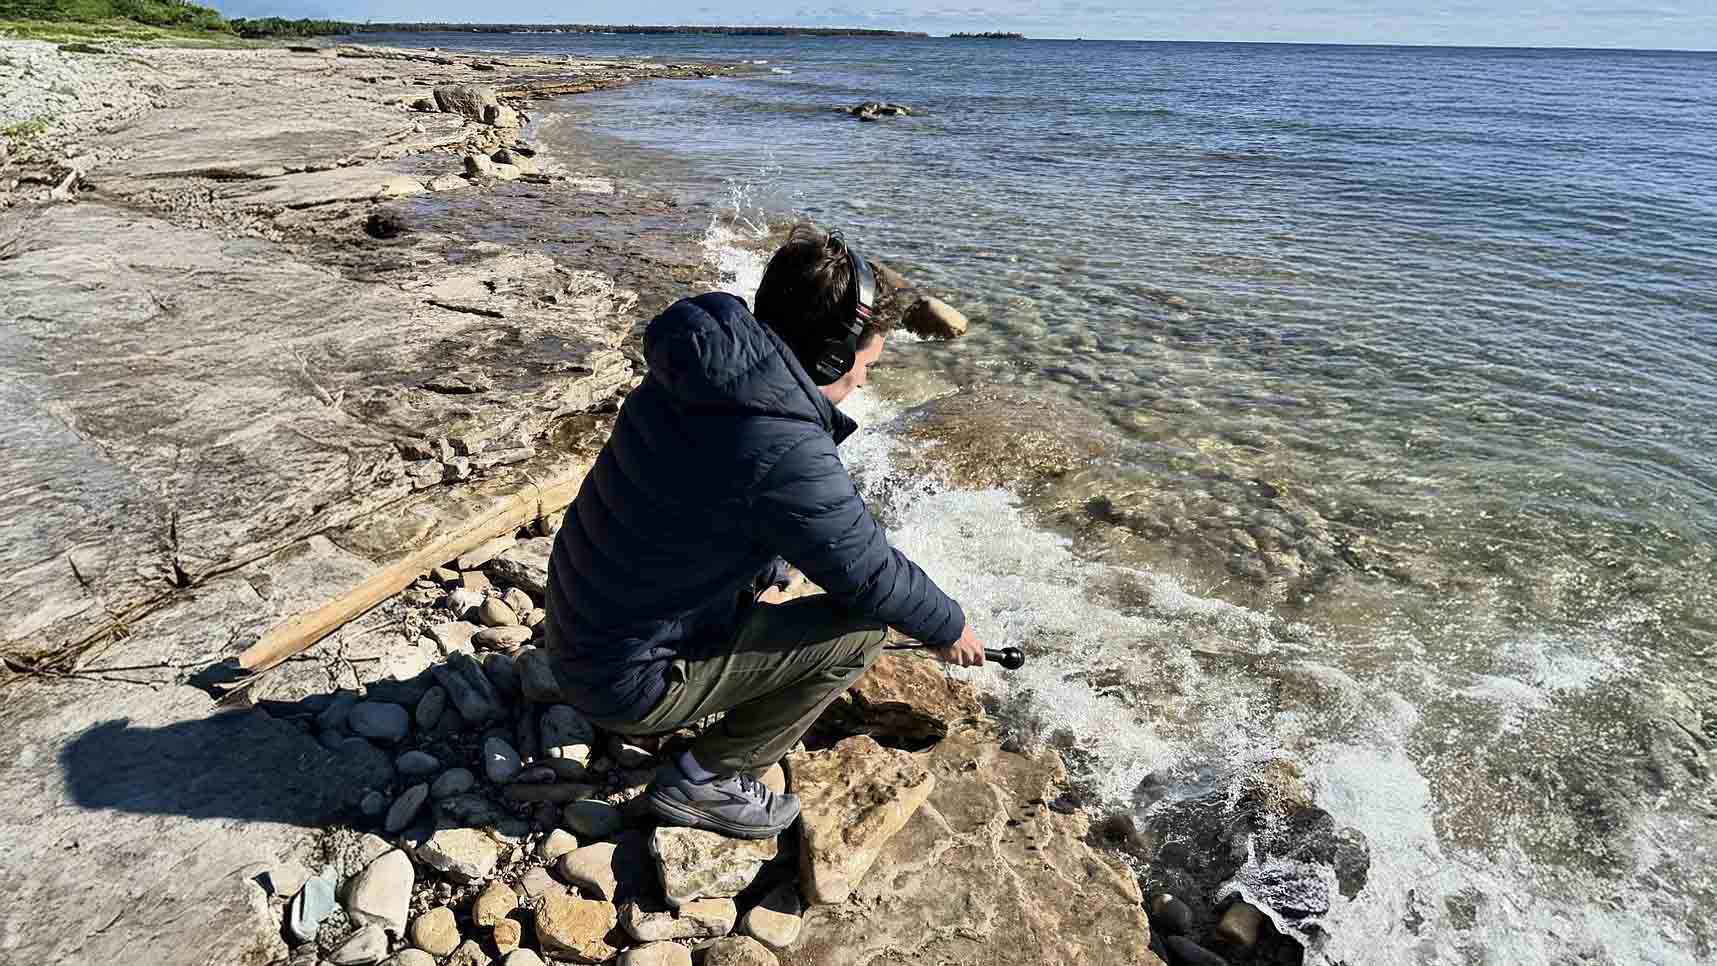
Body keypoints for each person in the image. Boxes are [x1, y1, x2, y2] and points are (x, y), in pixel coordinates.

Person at [536, 224, 986, 839]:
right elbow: (871, 573)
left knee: (792, 578)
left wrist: (766, 576)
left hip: (580, 624)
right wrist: (950, 626)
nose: (864, 382)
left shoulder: (705, 371)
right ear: (830, 356)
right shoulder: (783, 446)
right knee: (859, 633)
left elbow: (727, 502)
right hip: (622, 682)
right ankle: (705, 778)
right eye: (867, 364)